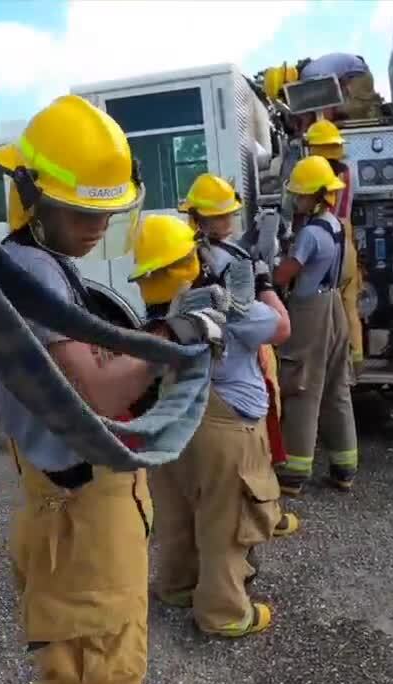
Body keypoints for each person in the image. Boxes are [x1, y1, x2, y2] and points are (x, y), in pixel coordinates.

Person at [0, 95, 225, 684]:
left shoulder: (48, 265)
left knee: (107, 675)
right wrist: (179, 336)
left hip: (93, 506)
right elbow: (97, 391)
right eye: (77, 212)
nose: (96, 227)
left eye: (106, 212)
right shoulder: (34, 273)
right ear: (31, 193)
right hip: (78, 511)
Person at [127, 213, 296, 638]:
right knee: (225, 519)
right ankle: (224, 612)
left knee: (178, 509)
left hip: (173, 420)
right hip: (226, 426)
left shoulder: (159, 315)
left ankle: (178, 586)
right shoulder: (226, 304)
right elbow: (281, 327)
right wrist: (265, 282)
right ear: (190, 257)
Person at [272, 155, 360, 495]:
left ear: (318, 194)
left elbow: (285, 273)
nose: (297, 199)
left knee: (301, 387)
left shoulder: (309, 233)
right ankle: (344, 468)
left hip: (310, 311)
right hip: (335, 306)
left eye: (302, 194)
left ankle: (293, 475)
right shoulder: (335, 224)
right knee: (337, 389)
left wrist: (267, 271)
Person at [304, 118, 364, 377]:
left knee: (325, 303)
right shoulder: (347, 170)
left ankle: (333, 364)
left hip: (329, 241)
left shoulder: (322, 176)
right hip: (347, 238)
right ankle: (357, 362)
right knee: (349, 304)